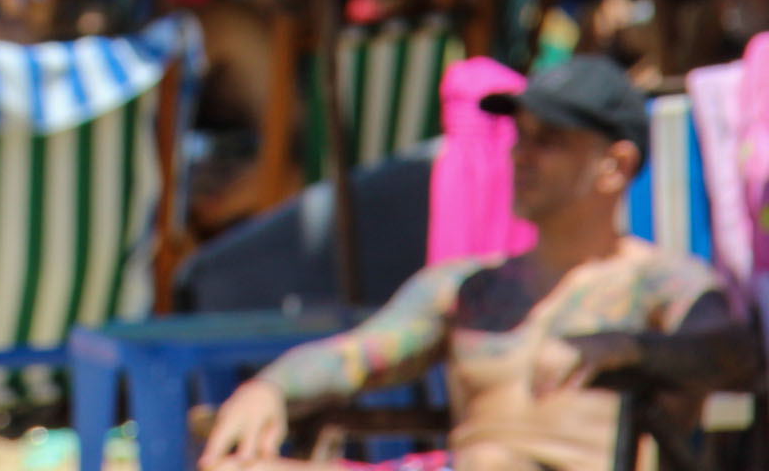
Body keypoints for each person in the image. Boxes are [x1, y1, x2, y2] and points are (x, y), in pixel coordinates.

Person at [201, 55, 755, 471]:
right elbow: (357, 355)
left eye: (548, 141)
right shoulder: (469, 287)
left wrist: (625, 348)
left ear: (614, 166)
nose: (520, 155)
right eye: (520, 138)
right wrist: (268, 390)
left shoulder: (661, 283)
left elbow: (738, 356)